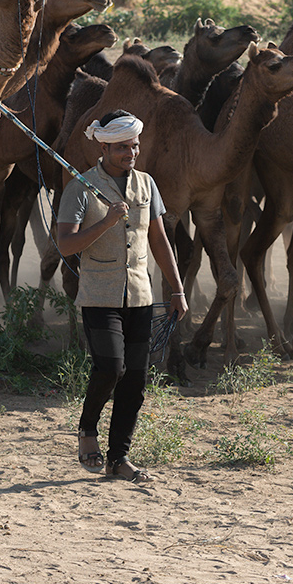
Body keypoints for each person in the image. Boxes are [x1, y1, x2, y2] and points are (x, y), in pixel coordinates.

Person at [56, 110, 188, 481]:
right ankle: (87, 430)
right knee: (110, 368)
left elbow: (159, 240)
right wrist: (106, 222)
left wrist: (176, 288)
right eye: (122, 147)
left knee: (135, 377)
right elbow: (66, 245)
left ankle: (119, 458)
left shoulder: (146, 185)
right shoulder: (80, 187)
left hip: (140, 297)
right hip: (99, 297)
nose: (131, 152)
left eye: (134, 145)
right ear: (104, 146)